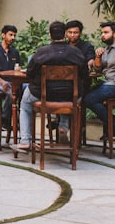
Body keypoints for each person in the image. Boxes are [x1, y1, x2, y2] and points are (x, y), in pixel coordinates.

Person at [17, 21, 86, 150]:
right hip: (70, 96)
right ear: (65, 35)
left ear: (50, 35)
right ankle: (63, 127)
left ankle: (25, 140)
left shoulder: (41, 52)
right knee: (72, 94)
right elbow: (85, 74)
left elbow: (30, 73)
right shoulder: (76, 52)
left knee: (25, 105)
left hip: (43, 95)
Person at [84, 21, 115, 141]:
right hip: (108, 83)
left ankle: (114, 123)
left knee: (89, 99)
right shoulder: (107, 48)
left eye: (105, 32)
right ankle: (112, 123)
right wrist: (97, 57)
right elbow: (98, 69)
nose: (102, 35)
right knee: (84, 95)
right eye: (102, 33)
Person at [0, 25, 21, 129]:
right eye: (10, 35)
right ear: (3, 35)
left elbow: (19, 68)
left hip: (14, 82)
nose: (13, 38)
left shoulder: (15, 52)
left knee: (25, 91)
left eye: (14, 35)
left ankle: (15, 121)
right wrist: (1, 81)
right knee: (12, 93)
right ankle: (6, 121)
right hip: (0, 83)